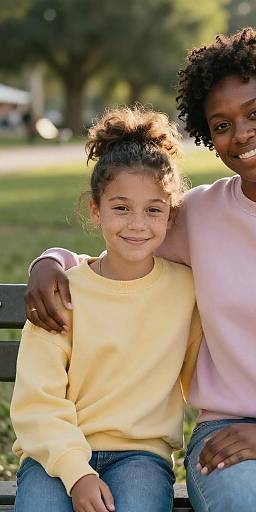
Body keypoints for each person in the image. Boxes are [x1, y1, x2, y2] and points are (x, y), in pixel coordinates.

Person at [25, 26, 256, 512]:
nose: (242, 134)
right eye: (221, 125)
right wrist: (52, 260)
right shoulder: (199, 214)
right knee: (245, 505)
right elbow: (127, 243)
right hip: (228, 425)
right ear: (209, 137)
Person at [11, 106, 202, 512]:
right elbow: (36, 400)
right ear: (96, 210)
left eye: (154, 210)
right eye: (121, 208)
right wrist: (76, 472)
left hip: (142, 456)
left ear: (171, 216)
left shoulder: (187, 291)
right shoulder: (62, 291)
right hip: (54, 454)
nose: (137, 224)